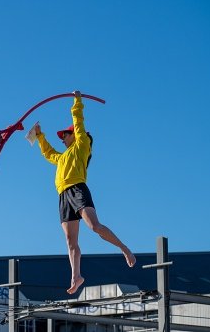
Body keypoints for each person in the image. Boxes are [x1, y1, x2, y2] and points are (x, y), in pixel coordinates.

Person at [35, 91, 136, 295]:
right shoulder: (62, 157)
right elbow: (48, 153)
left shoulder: (82, 145)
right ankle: (76, 275)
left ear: (73, 134)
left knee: (94, 226)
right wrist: (39, 135)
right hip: (63, 196)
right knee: (71, 241)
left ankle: (124, 248)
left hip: (78, 189)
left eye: (65, 135)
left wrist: (77, 102)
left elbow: (79, 123)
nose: (62, 138)